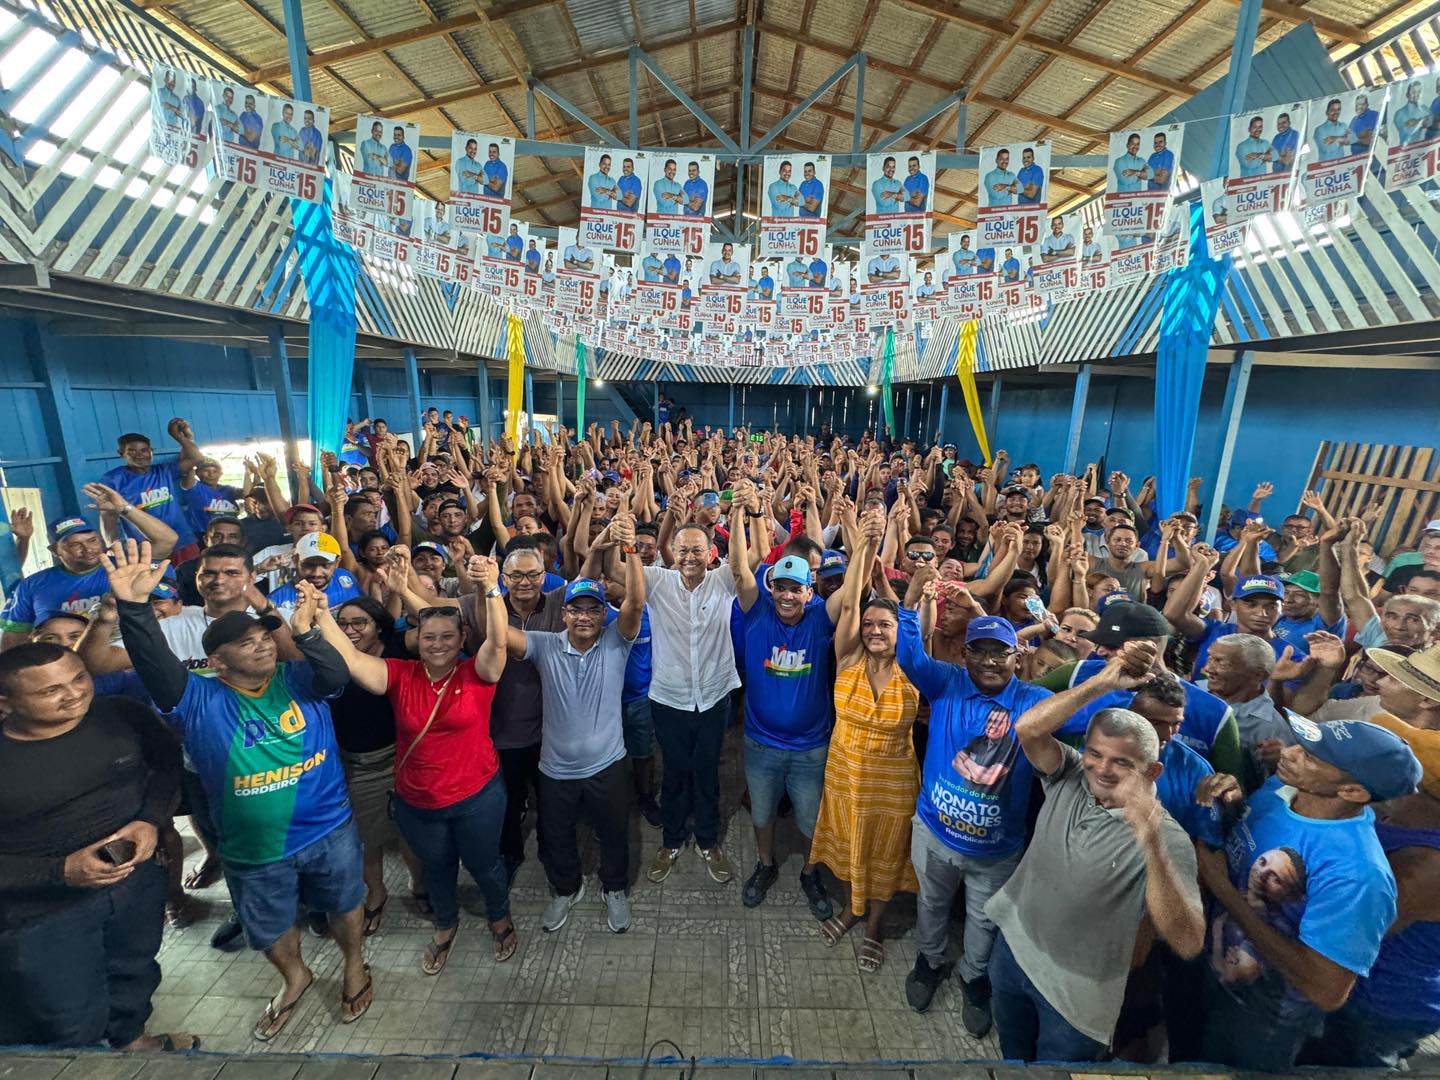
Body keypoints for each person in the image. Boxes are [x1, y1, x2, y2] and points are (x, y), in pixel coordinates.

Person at [107, 541, 373, 1041]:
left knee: (345, 902)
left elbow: (336, 672)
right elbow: (150, 661)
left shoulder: (297, 678)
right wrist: (133, 608)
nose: (263, 644)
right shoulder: (195, 698)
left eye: (265, 637)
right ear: (216, 661)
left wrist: (305, 631)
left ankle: (354, 963)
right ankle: (296, 977)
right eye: (247, 641)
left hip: (329, 827)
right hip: (255, 848)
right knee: (270, 926)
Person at [986, 643, 1205, 1062]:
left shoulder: (1167, 837)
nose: (1103, 769)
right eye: (1095, 753)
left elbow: (1188, 939)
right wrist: (1103, 681)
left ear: (1152, 771)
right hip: (1013, 953)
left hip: (1075, 999)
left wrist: (1150, 839)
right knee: (1012, 1057)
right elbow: (1028, 729)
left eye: (1122, 763)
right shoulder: (1068, 774)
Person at [315, 559, 517, 969]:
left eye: (447, 636)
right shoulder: (399, 674)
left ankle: (500, 915)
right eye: (428, 637)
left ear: (462, 638)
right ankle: (445, 923)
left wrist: (492, 589)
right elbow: (353, 663)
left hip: (477, 794)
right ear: (417, 639)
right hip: (418, 801)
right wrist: (320, 614)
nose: (438, 644)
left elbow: (496, 644)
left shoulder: (476, 675)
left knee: (485, 864)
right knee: (437, 867)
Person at [0, 643, 196, 1052]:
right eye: (49, 691)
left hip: (135, 885)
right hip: (42, 912)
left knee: (134, 971)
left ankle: (130, 1040)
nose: (74, 694)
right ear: (6, 703)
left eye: (79, 678)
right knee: (63, 1015)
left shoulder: (121, 715)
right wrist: (59, 871)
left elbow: (165, 766)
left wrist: (150, 819)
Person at [1195, 718, 1420, 1070]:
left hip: (1262, 1020)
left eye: (1311, 757)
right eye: (1301, 743)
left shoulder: (1357, 875)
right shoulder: (1279, 791)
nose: (1291, 752)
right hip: (1209, 978)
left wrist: (1223, 888)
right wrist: (1232, 806)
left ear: (1352, 793)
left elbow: (1325, 989)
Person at [896, 566, 1052, 1028]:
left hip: (997, 850)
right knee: (931, 904)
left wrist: (1109, 670)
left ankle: (973, 977)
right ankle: (929, 960)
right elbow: (909, 655)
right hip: (936, 834)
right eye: (979, 652)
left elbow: (1099, 712)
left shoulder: (1036, 701)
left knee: (985, 920)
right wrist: (908, 603)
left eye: (999, 653)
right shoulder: (946, 682)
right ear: (964, 655)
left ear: (1016, 657)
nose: (988, 662)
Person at [504, 515, 646, 935]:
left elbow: (636, 604)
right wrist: (487, 586)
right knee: (558, 836)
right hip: (556, 769)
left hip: (608, 765)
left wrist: (632, 551)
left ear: (604, 614)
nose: (585, 617)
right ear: (563, 614)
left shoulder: (617, 642)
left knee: (614, 832)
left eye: (593, 610)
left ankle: (614, 888)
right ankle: (565, 889)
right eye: (576, 609)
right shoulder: (545, 646)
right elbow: (502, 636)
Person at [731, 482, 855, 920]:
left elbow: (852, 587)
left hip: (809, 747)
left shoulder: (822, 618)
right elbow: (739, 572)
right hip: (761, 744)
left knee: (809, 819)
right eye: (780, 588)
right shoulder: (758, 612)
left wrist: (870, 539)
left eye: (795, 589)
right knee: (762, 812)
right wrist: (741, 515)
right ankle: (765, 865)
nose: (786, 596)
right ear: (772, 590)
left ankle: (808, 870)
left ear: (810, 592)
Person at [808, 513, 916, 971]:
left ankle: (874, 926)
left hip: (891, 782)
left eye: (885, 626)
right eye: (870, 624)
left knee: (885, 851)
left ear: (900, 631)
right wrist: (865, 549)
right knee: (852, 842)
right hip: (846, 773)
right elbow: (849, 604)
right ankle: (852, 911)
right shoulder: (847, 655)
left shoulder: (914, 666)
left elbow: (913, 613)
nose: (874, 630)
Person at [642, 507, 743, 884]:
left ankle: (707, 839)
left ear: (711, 553)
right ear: (672, 551)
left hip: (715, 695)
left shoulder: (722, 582)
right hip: (669, 697)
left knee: (706, 771)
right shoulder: (656, 581)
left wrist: (744, 513)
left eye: (697, 550)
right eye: (682, 550)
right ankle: (671, 839)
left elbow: (748, 561)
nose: (689, 557)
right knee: (674, 770)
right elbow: (620, 573)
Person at [1, 498, 176, 651]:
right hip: (64, 664)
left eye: (92, 540)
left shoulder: (125, 569)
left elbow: (167, 541)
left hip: (126, 654)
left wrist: (124, 508)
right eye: (75, 544)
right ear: (55, 550)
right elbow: (13, 638)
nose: (87, 549)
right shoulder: (32, 585)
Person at [100, 419, 203, 560]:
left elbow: (197, 458)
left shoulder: (164, 471)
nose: (139, 455)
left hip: (183, 540)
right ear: (121, 453)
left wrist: (179, 436)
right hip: (149, 548)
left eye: (144, 450)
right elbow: (108, 517)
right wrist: (112, 545)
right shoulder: (113, 479)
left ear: (151, 451)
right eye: (131, 451)